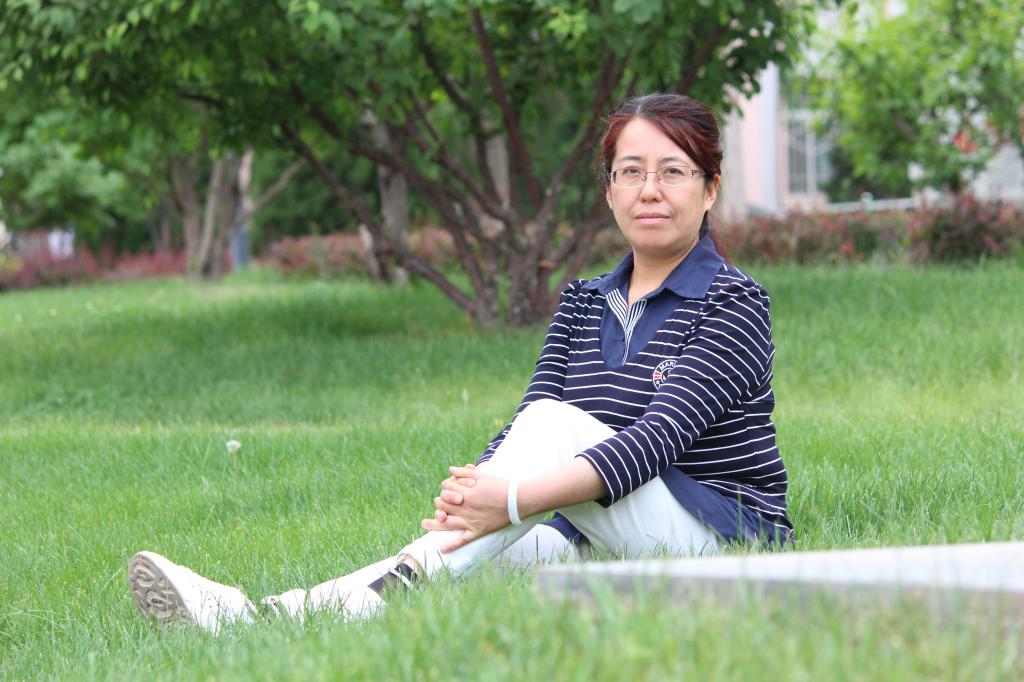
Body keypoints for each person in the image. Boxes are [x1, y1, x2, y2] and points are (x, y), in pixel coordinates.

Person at [128, 93, 793, 633]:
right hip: (602, 534)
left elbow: (652, 442)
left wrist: (508, 499)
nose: (650, 190)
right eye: (631, 172)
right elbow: (524, 428)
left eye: (673, 171)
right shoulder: (584, 301)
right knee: (481, 553)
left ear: (710, 189)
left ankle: (279, 612)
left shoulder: (734, 303)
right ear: (610, 190)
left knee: (550, 432)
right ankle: (263, 615)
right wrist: (475, 494)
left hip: (723, 541)